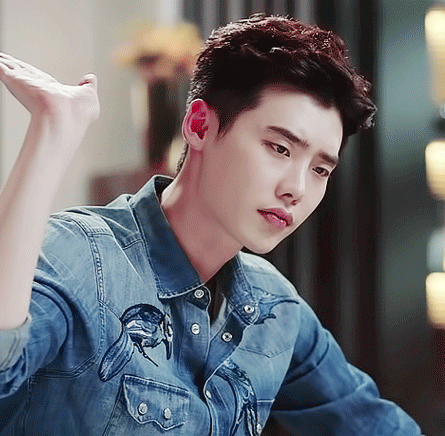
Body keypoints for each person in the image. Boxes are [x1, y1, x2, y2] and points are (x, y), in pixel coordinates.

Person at [0, 14, 423, 436]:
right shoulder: (82, 257)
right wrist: (52, 133)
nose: (296, 189)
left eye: (320, 170)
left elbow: (377, 426)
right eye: (279, 148)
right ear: (199, 125)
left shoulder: (274, 308)